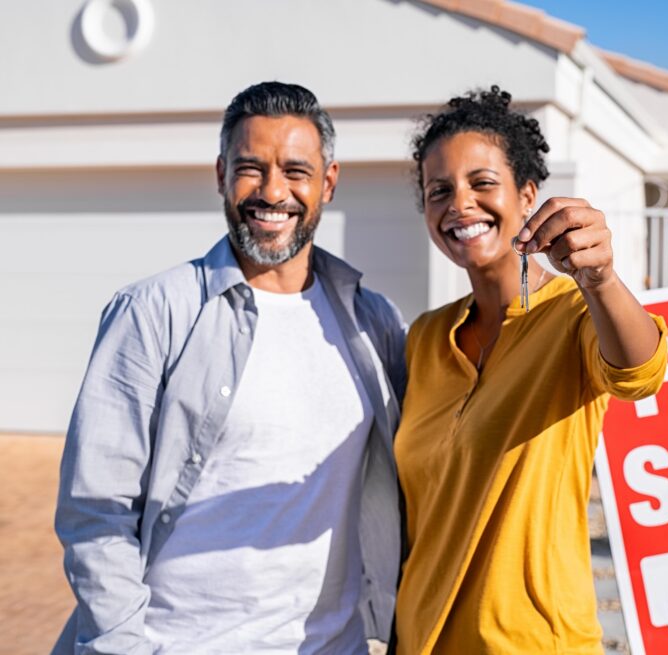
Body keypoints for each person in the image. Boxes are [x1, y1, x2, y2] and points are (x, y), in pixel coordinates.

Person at [53, 82, 405, 655]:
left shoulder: (373, 321)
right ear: (220, 174)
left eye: (295, 170)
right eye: (250, 168)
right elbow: (97, 510)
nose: (272, 192)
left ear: (329, 183)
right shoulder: (152, 313)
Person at [393, 86, 668, 654]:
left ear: (527, 195)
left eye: (481, 183)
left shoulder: (573, 315)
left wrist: (601, 280)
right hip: (423, 640)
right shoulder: (424, 338)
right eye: (438, 191)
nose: (459, 204)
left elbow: (640, 371)